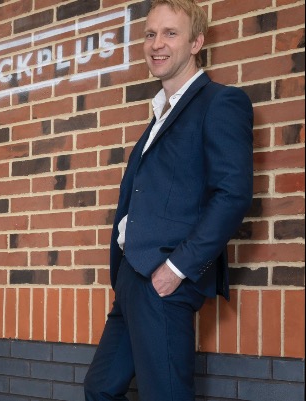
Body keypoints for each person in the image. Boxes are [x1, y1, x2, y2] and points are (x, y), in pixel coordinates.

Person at [83, 0, 253, 399]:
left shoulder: (220, 103)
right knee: (99, 389)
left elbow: (232, 195)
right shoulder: (159, 114)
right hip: (132, 277)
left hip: (164, 279)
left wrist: (175, 269)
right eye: (150, 34)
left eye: (170, 33)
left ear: (196, 42)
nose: (156, 43)